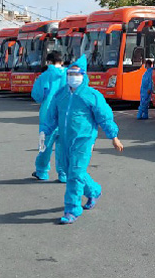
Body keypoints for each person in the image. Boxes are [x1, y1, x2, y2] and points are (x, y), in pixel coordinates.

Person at [40, 55, 124, 225]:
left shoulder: (92, 95)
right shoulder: (60, 95)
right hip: (64, 140)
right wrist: (45, 132)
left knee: (75, 174)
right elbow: (52, 116)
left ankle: (72, 210)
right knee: (70, 170)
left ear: (84, 75)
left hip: (83, 140)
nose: (73, 76)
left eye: (77, 74)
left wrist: (113, 136)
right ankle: (94, 191)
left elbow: (104, 117)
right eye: (70, 73)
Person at [31, 51, 67, 182]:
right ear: (62, 62)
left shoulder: (44, 76)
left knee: (44, 146)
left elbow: (37, 96)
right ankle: (63, 174)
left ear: (48, 62)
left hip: (48, 116)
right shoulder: (70, 75)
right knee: (63, 147)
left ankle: (42, 172)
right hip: (65, 117)